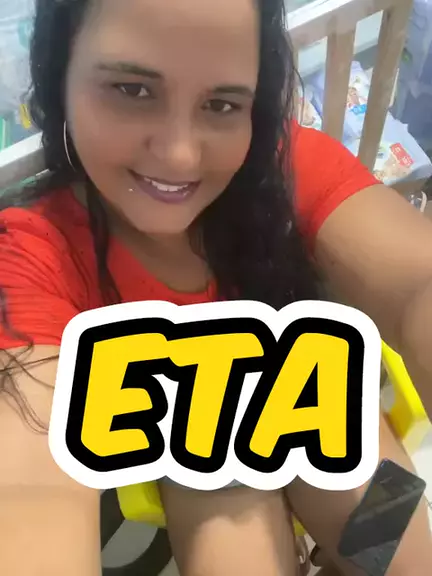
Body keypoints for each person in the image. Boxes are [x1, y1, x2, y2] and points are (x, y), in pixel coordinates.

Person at [0, 0, 431, 575]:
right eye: (132, 90)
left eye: (222, 104)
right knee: (226, 516)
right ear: (60, 77)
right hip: (198, 454)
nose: (180, 154)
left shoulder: (284, 167)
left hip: (315, 394)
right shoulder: (32, 254)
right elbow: (28, 495)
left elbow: (418, 282)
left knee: (397, 535)